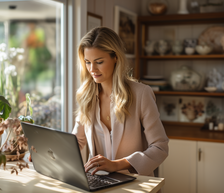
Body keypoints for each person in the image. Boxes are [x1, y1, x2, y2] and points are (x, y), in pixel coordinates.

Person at [72, 26, 169, 176]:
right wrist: (47, 153)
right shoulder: (86, 96)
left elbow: (160, 147)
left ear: (115, 57)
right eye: (88, 62)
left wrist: (117, 165)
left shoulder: (141, 94)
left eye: (99, 61)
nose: (92, 69)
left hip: (135, 184)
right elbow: (76, 142)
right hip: (98, 183)